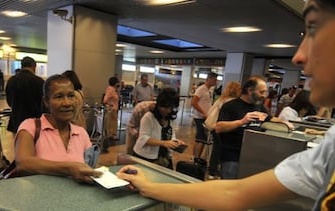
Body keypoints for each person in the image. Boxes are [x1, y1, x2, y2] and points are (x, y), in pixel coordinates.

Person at [117, 2, 335, 208]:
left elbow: (234, 194)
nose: (298, 56)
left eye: (314, 26)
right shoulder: (330, 149)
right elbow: (234, 193)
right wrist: (149, 187)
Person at [14, 74, 101, 183]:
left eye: (71, 96)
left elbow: (90, 166)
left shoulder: (81, 133)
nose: (67, 103)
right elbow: (23, 163)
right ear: (46, 101)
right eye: (59, 97)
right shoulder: (30, 127)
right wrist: (69, 169)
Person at [133, 88, 185, 169]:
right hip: (146, 157)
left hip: (164, 157)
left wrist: (176, 142)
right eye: (165, 107)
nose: (167, 110)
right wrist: (164, 143)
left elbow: (171, 136)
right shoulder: (149, 117)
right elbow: (143, 138)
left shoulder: (170, 119)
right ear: (159, 104)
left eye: (170, 108)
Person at [204, 81, 241, 179]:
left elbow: (210, 112)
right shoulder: (233, 103)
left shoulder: (221, 99)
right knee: (220, 150)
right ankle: (215, 170)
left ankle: (212, 171)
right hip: (222, 129)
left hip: (214, 126)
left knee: (216, 149)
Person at [6, 56, 44, 134]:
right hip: (35, 123)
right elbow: (43, 103)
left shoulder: (11, 81)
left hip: (16, 120)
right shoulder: (39, 82)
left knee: (18, 144)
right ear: (34, 66)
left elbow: (9, 101)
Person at [191, 72, 217, 160]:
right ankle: (196, 157)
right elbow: (194, 102)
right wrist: (202, 112)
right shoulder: (201, 89)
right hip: (199, 117)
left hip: (206, 117)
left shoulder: (209, 90)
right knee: (201, 138)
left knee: (200, 138)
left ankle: (196, 157)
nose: (215, 81)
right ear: (208, 79)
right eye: (214, 79)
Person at [102, 76, 120, 152]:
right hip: (112, 109)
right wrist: (110, 104)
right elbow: (105, 100)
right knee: (112, 122)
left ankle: (112, 134)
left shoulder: (113, 89)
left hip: (114, 108)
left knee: (113, 122)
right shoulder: (111, 90)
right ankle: (112, 135)